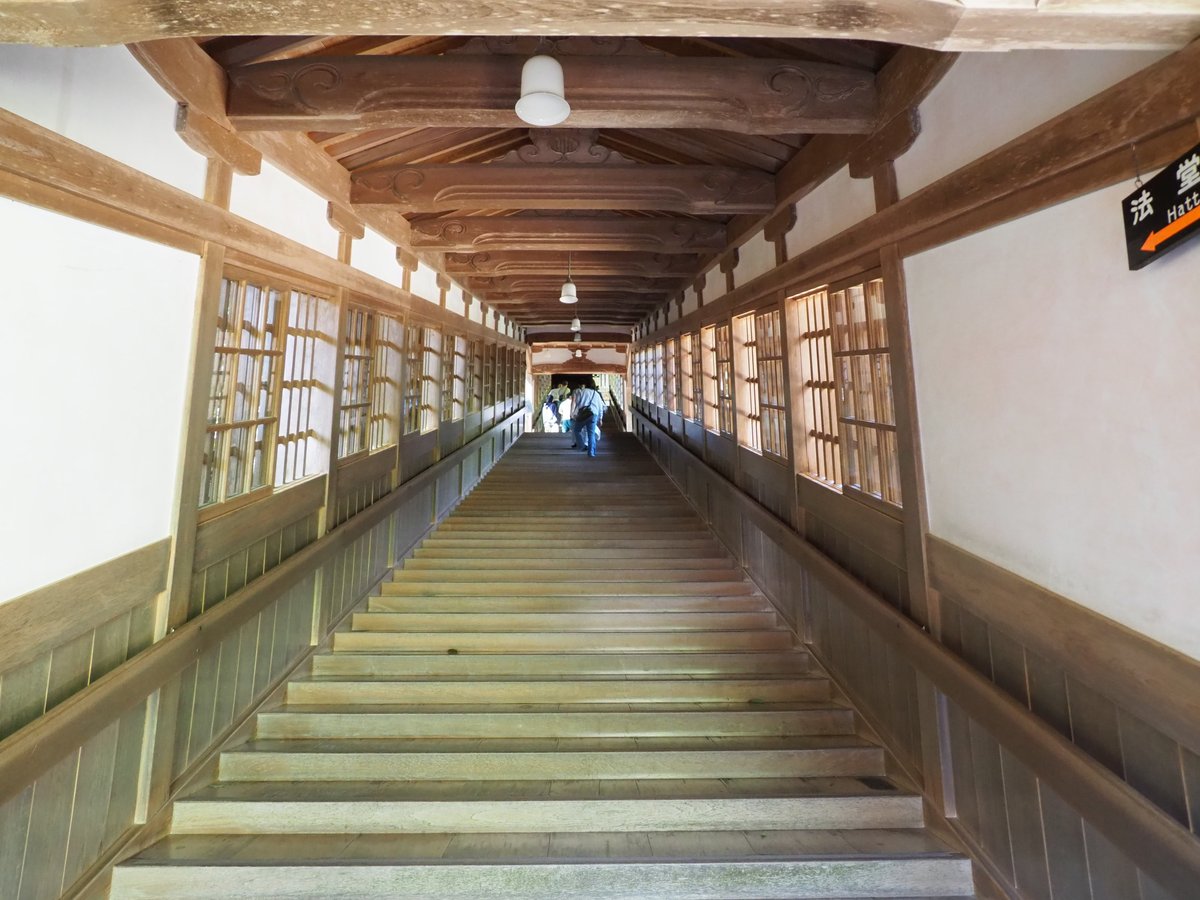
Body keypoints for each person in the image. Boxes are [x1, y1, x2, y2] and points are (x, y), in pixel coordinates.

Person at [570, 379, 607, 458]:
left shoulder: (581, 392)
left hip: (583, 414)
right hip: (593, 415)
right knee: (591, 434)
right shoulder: (596, 394)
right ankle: (591, 453)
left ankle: (581, 446)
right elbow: (601, 407)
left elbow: (576, 403)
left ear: (585, 385)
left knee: (577, 430)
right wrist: (600, 418)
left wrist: (573, 413)